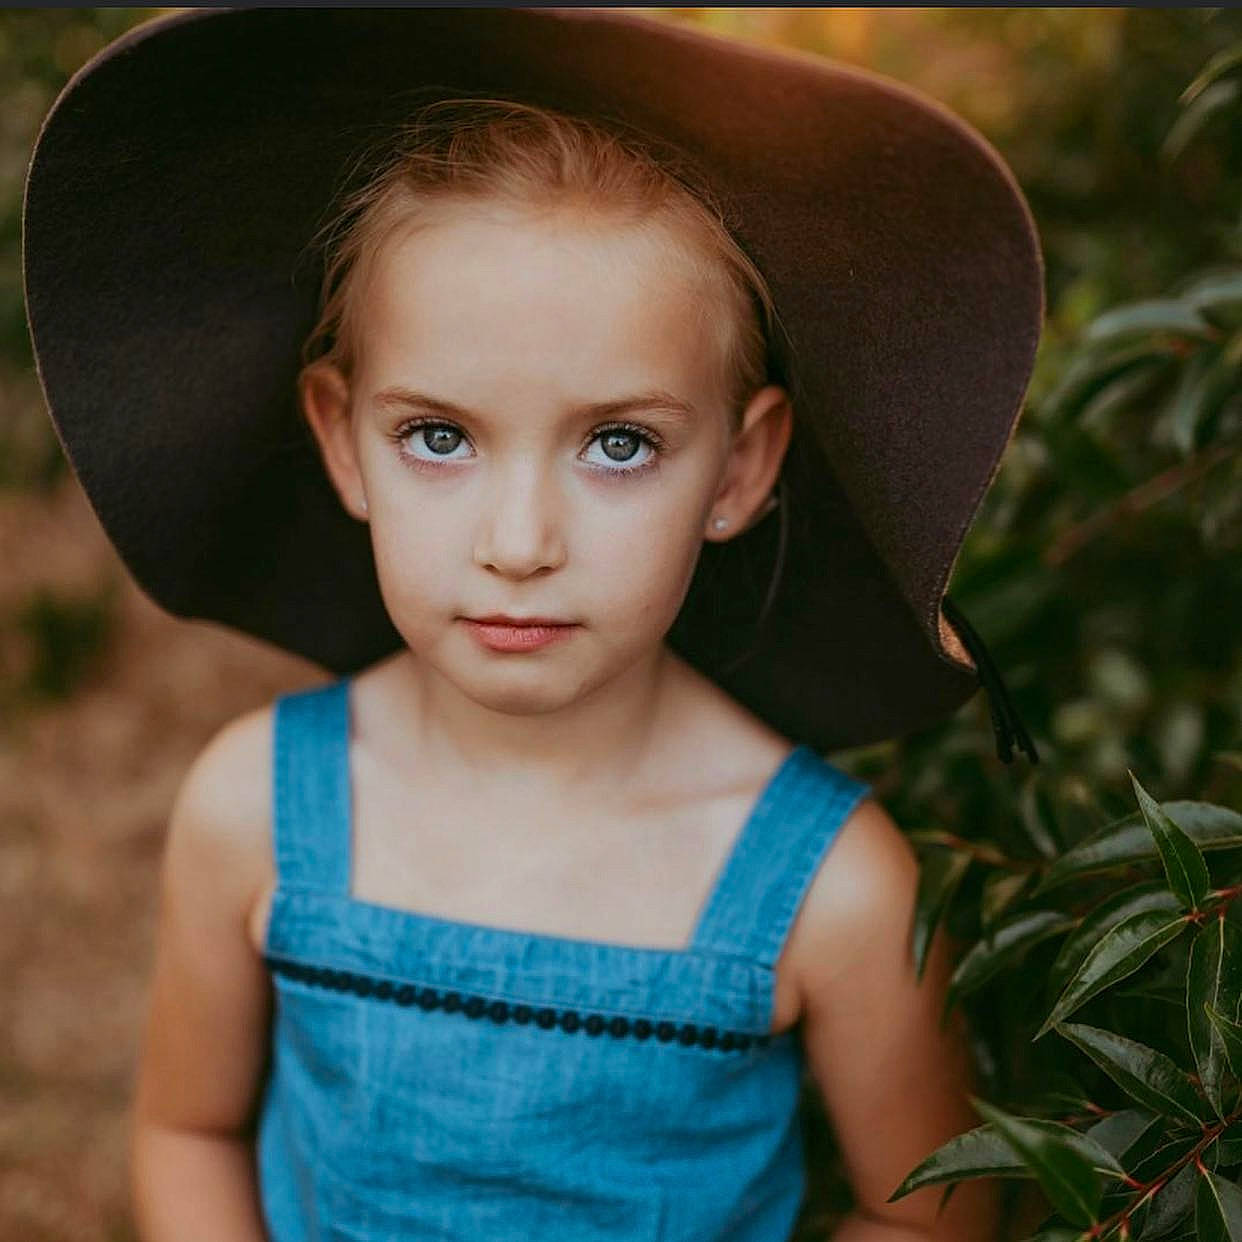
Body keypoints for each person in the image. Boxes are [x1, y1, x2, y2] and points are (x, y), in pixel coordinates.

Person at [21, 10, 1044, 1242]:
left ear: (740, 467)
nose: (518, 541)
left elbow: (932, 1214)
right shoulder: (253, 812)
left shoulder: (835, 890)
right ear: (343, 439)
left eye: (620, 445)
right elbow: (188, 1132)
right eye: (437, 436)